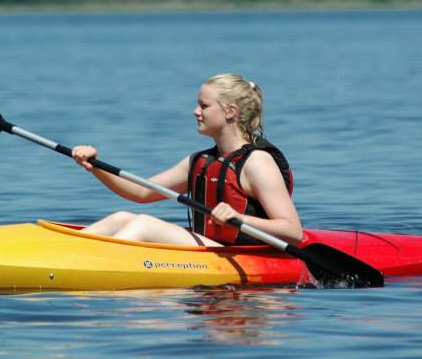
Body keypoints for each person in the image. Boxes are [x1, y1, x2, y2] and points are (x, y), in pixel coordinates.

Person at [71, 73, 303, 247]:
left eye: (204, 106)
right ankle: (67, 252)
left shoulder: (257, 162)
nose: (195, 111)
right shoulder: (199, 161)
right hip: (208, 249)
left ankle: (90, 266)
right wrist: (95, 166)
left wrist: (238, 218)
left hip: (241, 255)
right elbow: (140, 192)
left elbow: (292, 231)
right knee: (120, 218)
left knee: (143, 225)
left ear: (230, 111)